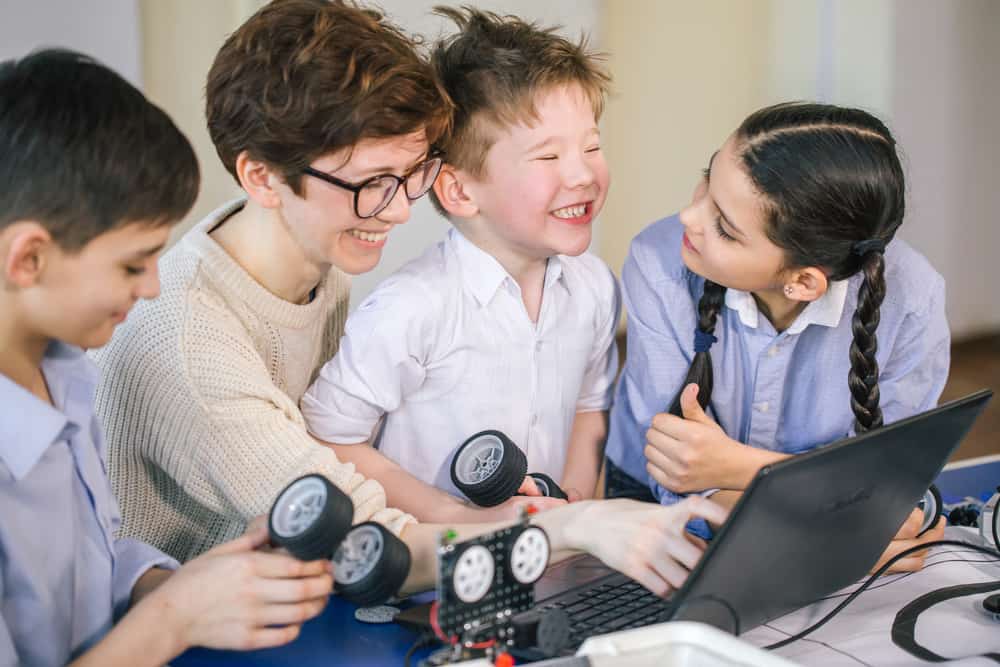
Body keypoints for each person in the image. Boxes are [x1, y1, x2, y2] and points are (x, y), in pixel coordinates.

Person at [92, 0, 726, 598]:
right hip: (191, 616)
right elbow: (366, 546)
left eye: (411, 173)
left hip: (298, 586)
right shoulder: (189, 343)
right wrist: (575, 528)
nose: (399, 210)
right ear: (262, 176)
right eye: (372, 185)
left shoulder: (316, 257)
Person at [0, 49, 334, 667]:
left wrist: (184, 586)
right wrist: (176, 617)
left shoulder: (66, 373)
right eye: (132, 264)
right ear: (28, 259)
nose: (153, 286)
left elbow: (87, 565)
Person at [301, 6, 618, 520]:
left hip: (547, 558)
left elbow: (589, 405)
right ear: (459, 190)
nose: (582, 174)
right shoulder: (410, 309)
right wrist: (461, 518)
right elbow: (331, 441)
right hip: (435, 571)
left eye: (592, 146)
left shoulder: (595, 288)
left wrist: (572, 508)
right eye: (548, 157)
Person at [605, 102, 948, 570]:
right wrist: (839, 531)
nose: (688, 216)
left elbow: (887, 485)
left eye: (724, 227)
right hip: (654, 503)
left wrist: (738, 466)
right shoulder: (658, 259)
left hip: (791, 515)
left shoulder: (914, 299)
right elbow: (673, 468)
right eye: (708, 179)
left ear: (803, 282)